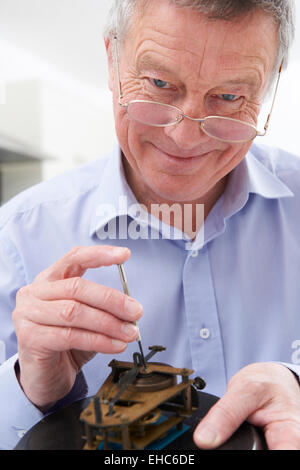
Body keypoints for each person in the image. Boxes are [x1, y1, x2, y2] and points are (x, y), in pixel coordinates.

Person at [0, 0, 300, 450]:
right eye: (159, 84)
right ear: (111, 60)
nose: (186, 137)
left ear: (269, 89)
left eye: (230, 97)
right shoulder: (17, 237)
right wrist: (34, 394)